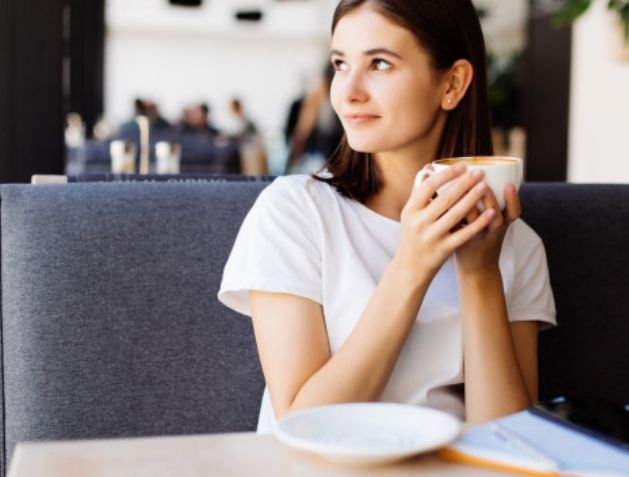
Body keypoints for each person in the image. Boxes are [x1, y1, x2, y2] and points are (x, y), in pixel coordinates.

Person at [218, 0, 556, 433]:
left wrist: (479, 274)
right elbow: (302, 425)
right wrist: (413, 266)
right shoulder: (295, 213)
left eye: (379, 63)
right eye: (341, 64)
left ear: (452, 84)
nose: (348, 92)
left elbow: (510, 440)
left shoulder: (514, 242)